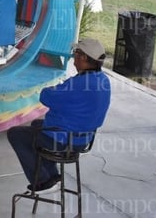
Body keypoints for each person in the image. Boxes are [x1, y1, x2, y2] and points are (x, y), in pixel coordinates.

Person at [7, 38, 111, 194]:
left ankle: (42, 181)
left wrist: (57, 88)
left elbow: (46, 96)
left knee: (16, 134)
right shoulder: (103, 80)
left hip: (65, 141)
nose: (73, 57)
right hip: (84, 138)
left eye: (75, 53)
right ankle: (53, 176)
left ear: (83, 57)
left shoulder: (78, 84)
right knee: (36, 125)